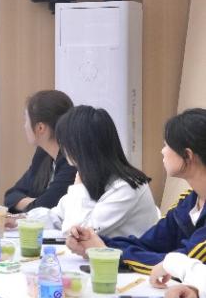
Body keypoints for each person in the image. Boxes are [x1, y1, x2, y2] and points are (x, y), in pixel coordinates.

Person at [68, 108, 206, 279]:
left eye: (166, 145)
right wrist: (97, 243)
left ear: (188, 155)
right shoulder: (188, 201)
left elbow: (183, 265)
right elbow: (148, 243)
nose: (162, 151)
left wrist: (106, 251)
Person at [21, 105, 158, 238]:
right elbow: (57, 215)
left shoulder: (127, 188)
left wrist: (79, 188)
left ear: (81, 145)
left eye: (65, 142)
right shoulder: (95, 177)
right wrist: (19, 220)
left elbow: (78, 234)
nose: (63, 148)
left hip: (123, 255)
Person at [4, 90, 77, 213]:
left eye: (26, 120)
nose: (24, 126)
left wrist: (34, 202)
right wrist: (36, 202)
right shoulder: (43, 153)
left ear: (40, 128)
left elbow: (45, 207)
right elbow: (11, 195)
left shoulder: (71, 162)